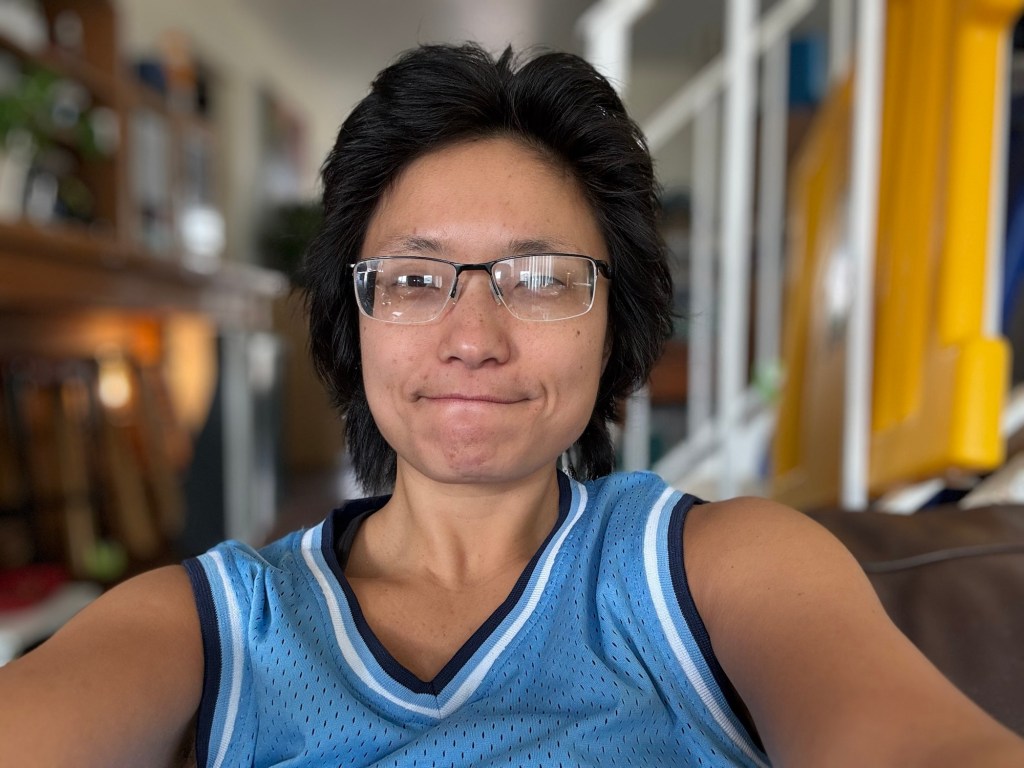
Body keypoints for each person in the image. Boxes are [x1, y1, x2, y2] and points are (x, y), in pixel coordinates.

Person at [2, 43, 1023, 768]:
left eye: (540, 279)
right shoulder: (210, 624)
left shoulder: (719, 572)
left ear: (614, 325)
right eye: (414, 279)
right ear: (353, 322)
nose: (473, 337)